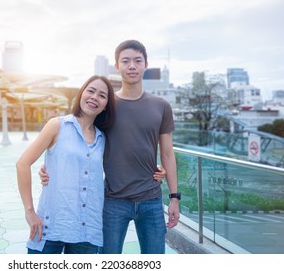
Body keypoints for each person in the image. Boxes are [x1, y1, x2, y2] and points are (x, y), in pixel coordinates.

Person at [40, 40, 179, 254]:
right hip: (113, 201)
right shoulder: (106, 106)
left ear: (145, 65)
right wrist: (49, 167)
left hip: (151, 199)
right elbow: (78, 138)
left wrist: (174, 197)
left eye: (137, 61)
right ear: (117, 66)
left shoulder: (161, 106)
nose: (131, 66)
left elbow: (168, 154)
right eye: (125, 61)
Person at [16, 75, 116, 254]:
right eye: (91, 91)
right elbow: (22, 164)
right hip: (51, 224)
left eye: (102, 95)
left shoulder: (104, 138)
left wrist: (155, 169)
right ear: (81, 94)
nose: (94, 97)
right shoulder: (57, 125)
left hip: (88, 229)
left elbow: (122, 165)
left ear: (106, 105)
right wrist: (29, 211)